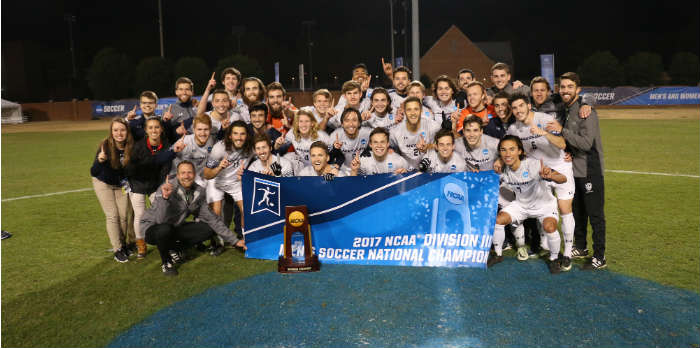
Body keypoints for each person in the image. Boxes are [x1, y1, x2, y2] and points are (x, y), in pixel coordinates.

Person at [545, 72, 607, 270]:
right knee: (579, 213)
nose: (565, 90)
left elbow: (587, 143)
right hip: (574, 170)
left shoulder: (586, 111)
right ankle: (581, 247)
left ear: (578, 90)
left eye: (570, 87)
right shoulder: (566, 107)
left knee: (595, 215)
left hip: (590, 169)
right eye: (562, 87)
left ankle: (600, 256)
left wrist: (562, 131)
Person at [505, 93, 576, 268]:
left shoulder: (544, 119)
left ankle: (567, 253)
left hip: (559, 166)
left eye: (521, 106)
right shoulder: (514, 129)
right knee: (541, 207)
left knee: (565, 209)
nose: (518, 110)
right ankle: (545, 246)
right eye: (514, 108)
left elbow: (562, 144)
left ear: (529, 106)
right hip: (538, 170)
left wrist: (543, 133)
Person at [141, 161, 246, 276]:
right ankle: (166, 263)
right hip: (153, 228)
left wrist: (235, 241)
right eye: (183, 173)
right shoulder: (166, 188)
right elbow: (160, 220)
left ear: (195, 174)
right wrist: (164, 198)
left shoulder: (198, 191)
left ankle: (175, 248)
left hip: (175, 227)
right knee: (164, 229)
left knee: (209, 229)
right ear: (177, 175)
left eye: (189, 172)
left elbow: (212, 219)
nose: (186, 176)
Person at [490, 135, 567, 274]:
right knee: (498, 220)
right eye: (503, 150)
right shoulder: (502, 170)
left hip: (544, 206)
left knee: (549, 227)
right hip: (521, 205)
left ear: (520, 151)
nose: (508, 154)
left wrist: (551, 176)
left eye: (512, 149)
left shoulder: (534, 165)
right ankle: (498, 254)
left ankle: (554, 259)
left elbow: (563, 178)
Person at [125, 117, 185, 258]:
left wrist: (160, 185)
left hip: (154, 184)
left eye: (157, 127)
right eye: (150, 127)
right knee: (140, 214)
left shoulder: (165, 145)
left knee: (161, 212)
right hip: (137, 183)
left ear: (161, 129)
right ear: (146, 130)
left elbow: (165, 167)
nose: (154, 130)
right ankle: (141, 244)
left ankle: (164, 240)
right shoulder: (138, 146)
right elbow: (137, 167)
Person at [90, 117, 134, 263]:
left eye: (122, 130)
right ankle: (118, 249)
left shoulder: (131, 146)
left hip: (121, 184)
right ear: (111, 132)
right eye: (115, 130)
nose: (119, 133)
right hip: (103, 183)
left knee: (123, 216)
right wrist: (100, 160)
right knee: (112, 216)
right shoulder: (105, 146)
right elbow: (94, 171)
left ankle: (124, 244)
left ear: (127, 131)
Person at [203, 121, 254, 241]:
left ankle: (246, 239)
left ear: (247, 135)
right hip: (216, 180)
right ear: (230, 135)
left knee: (246, 210)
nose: (239, 137)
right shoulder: (219, 148)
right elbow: (207, 174)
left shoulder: (251, 147)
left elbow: (264, 153)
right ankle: (216, 242)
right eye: (236, 134)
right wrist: (219, 167)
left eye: (242, 134)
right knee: (216, 212)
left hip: (236, 182)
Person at [389, 97, 441, 171]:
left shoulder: (433, 126)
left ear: (421, 110)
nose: (413, 113)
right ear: (404, 111)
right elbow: (389, 149)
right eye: (409, 110)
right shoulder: (395, 132)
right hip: (406, 171)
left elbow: (446, 144)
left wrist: (429, 146)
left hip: (429, 170)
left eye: (416, 109)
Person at [330, 108, 372, 173]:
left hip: (363, 170)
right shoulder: (335, 135)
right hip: (342, 171)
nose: (351, 124)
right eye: (347, 120)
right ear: (342, 124)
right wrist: (334, 149)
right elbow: (328, 159)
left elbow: (382, 138)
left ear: (359, 123)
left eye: (354, 120)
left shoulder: (368, 133)